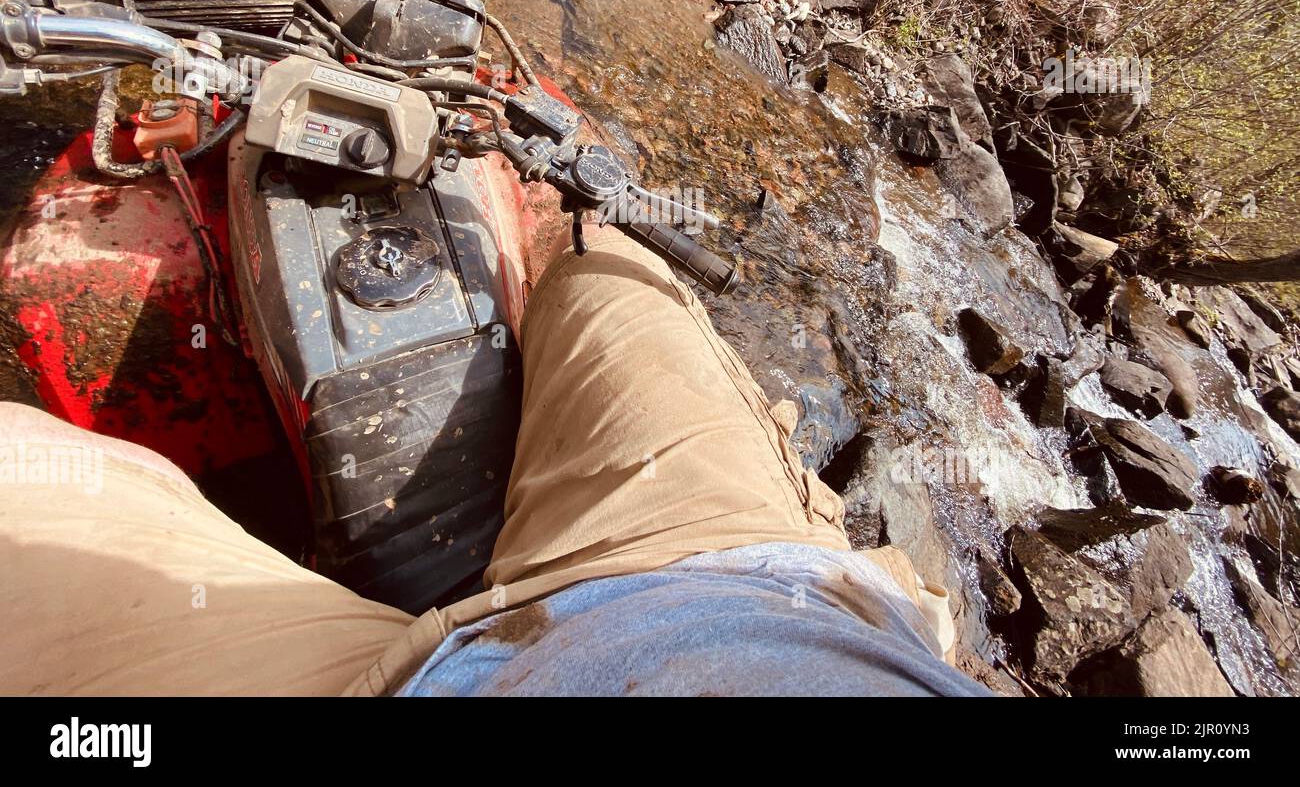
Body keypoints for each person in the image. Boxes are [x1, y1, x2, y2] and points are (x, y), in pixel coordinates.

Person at [0, 229, 987, 696]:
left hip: (383, 689)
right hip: (759, 575)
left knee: (25, 474)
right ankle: (558, 274)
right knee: (611, 270)